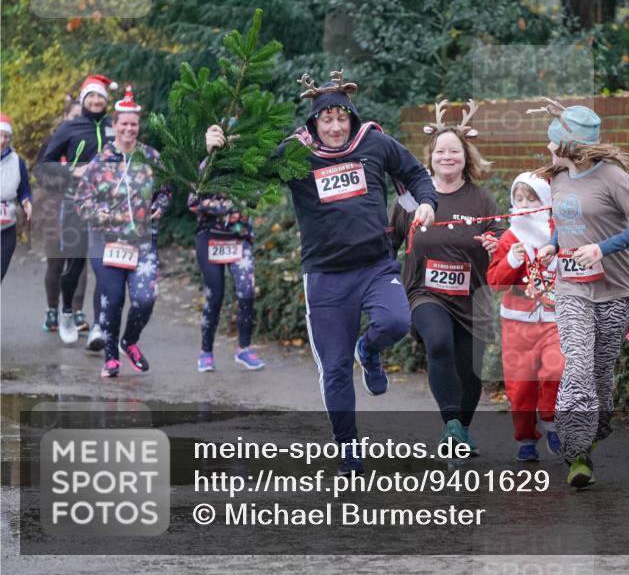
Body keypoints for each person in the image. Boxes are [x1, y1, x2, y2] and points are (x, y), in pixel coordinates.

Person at [205, 71, 436, 474]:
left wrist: (428, 202)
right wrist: (217, 152)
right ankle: (347, 445)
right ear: (315, 122)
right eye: (325, 120)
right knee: (334, 368)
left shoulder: (374, 142)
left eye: (340, 118)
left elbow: (415, 173)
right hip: (326, 278)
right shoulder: (297, 153)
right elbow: (248, 174)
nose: (334, 127)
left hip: (376, 266)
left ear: (350, 118)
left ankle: (370, 349)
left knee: (398, 320)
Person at [532, 97, 629, 488]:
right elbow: (566, 219)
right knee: (578, 363)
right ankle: (576, 451)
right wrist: (554, 243)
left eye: (553, 141)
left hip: (616, 290)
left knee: (600, 372)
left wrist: (601, 249)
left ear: (571, 145)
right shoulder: (558, 177)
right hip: (571, 289)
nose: (548, 147)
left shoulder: (614, 177)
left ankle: (595, 425)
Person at [389, 100, 503, 457]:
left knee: (471, 373)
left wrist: (495, 242)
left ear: (466, 157)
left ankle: (461, 431)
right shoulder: (411, 201)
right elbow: (387, 245)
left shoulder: (482, 200)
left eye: (454, 151)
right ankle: (451, 423)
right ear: (430, 156)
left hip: (472, 297)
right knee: (438, 343)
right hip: (425, 292)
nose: (447, 157)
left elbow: (503, 237)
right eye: (441, 151)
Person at [74, 86, 170, 378]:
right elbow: (81, 200)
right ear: (114, 125)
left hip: (142, 242)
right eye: (123, 123)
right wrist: (97, 214)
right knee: (112, 299)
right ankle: (111, 356)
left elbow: (166, 191)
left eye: (134, 124)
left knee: (145, 298)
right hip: (105, 242)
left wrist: (161, 206)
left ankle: (130, 340)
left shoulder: (152, 157)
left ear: (138, 126)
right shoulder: (100, 161)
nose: (129, 128)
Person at [486, 172, 564, 462]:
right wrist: (511, 260)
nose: (523, 206)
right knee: (520, 386)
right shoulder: (510, 237)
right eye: (518, 199)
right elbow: (495, 282)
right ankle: (526, 437)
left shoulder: (560, 233)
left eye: (531, 200)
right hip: (518, 323)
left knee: (556, 370)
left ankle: (552, 422)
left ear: (545, 202)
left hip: (555, 318)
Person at [37, 74, 117, 346]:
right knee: (75, 264)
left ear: (106, 101)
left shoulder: (112, 126)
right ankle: (67, 313)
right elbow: (43, 166)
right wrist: (73, 169)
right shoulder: (69, 128)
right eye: (91, 96)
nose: (96, 100)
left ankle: (99, 325)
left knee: (108, 267)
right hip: (75, 204)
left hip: (109, 207)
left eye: (101, 96)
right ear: (84, 99)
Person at [188, 179, 263, 372]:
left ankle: (244, 349)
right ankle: (206, 352)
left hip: (239, 239)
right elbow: (193, 202)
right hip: (210, 238)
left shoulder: (248, 167)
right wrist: (229, 206)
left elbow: (255, 199)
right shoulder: (209, 165)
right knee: (215, 296)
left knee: (247, 292)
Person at [35, 96, 89, 332]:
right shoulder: (52, 141)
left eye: (81, 118)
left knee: (79, 262)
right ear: (66, 117)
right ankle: (52, 310)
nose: (77, 121)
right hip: (53, 210)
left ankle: (77, 311)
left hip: (80, 208)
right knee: (55, 262)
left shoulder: (88, 141)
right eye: (74, 117)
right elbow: (40, 173)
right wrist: (67, 176)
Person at [0, 113, 33, 281]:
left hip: (7, 227)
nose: (3, 140)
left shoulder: (17, 161)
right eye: (0, 135)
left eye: (6, 136)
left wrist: (26, 201)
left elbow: (24, 189)